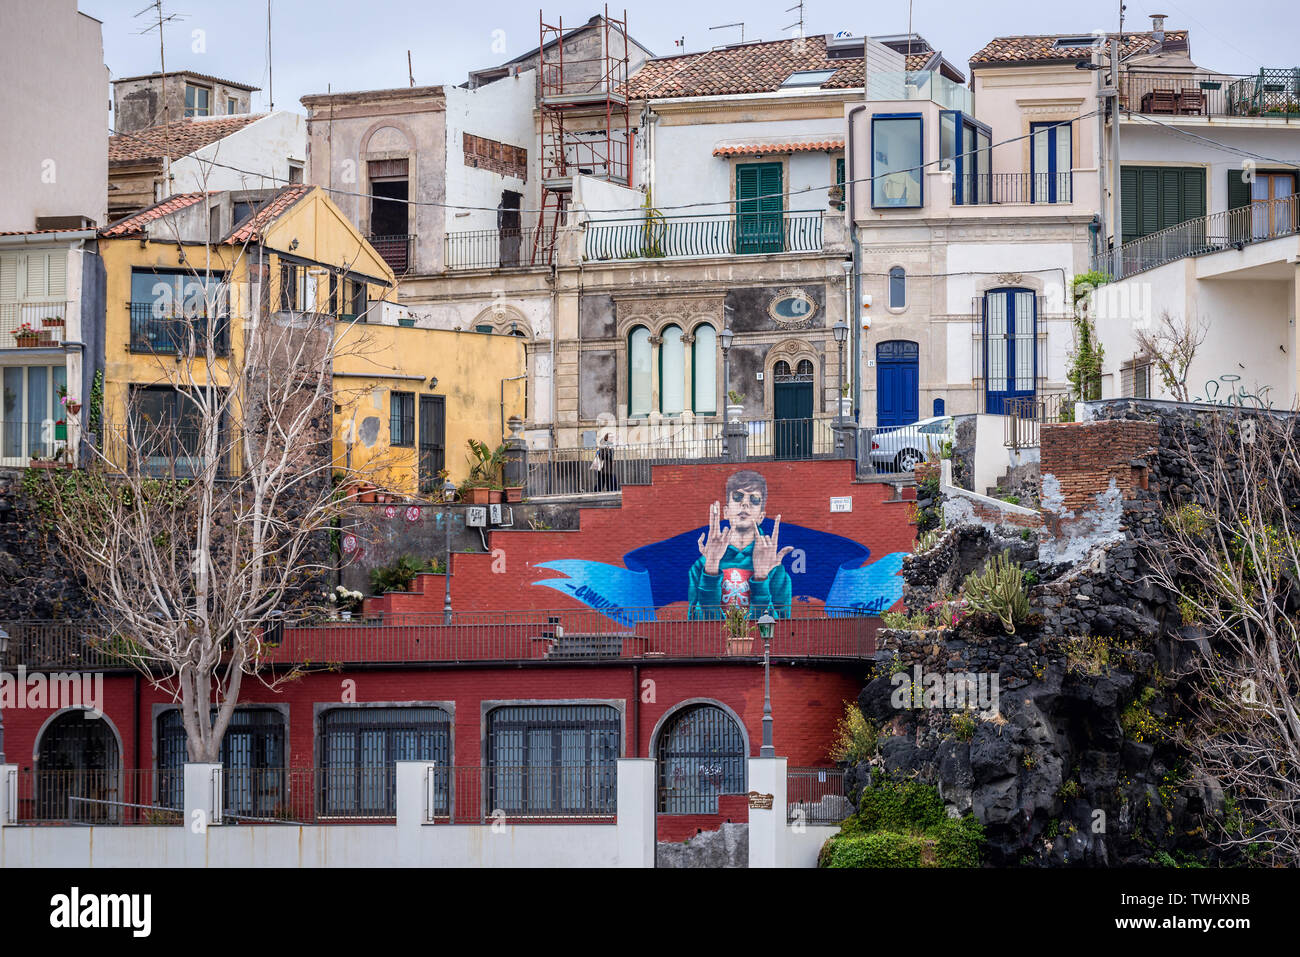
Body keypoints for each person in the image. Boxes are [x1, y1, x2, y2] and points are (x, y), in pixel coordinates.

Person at [687, 469, 792, 619]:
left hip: (759, 642)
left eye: (754, 499)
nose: (745, 504)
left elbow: (781, 627)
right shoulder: (701, 566)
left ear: (761, 516)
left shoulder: (774, 568)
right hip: (715, 642)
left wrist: (762, 577)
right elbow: (697, 625)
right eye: (737, 497)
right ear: (726, 511)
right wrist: (711, 567)